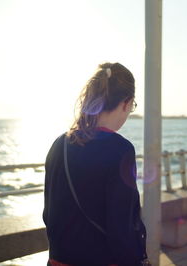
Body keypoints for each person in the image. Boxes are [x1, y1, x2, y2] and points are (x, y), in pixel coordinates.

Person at [43, 62, 148, 266]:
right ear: (126, 103)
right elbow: (122, 227)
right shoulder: (120, 149)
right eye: (132, 107)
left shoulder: (60, 144)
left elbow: (49, 214)